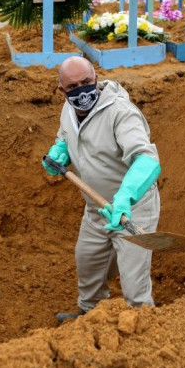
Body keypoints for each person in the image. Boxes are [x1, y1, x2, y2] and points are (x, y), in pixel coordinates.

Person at [42, 56, 161, 323]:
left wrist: (125, 198)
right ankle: (90, 316)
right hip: (97, 208)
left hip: (132, 209)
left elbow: (146, 159)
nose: (81, 90)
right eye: (73, 87)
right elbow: (65, 136)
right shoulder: (68, 111)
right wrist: (59, 152)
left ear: (96, 79)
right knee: (89, 262)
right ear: (62, 91)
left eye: (86, 82)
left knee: (134, 281)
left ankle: (144, 329)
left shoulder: (121, 112)